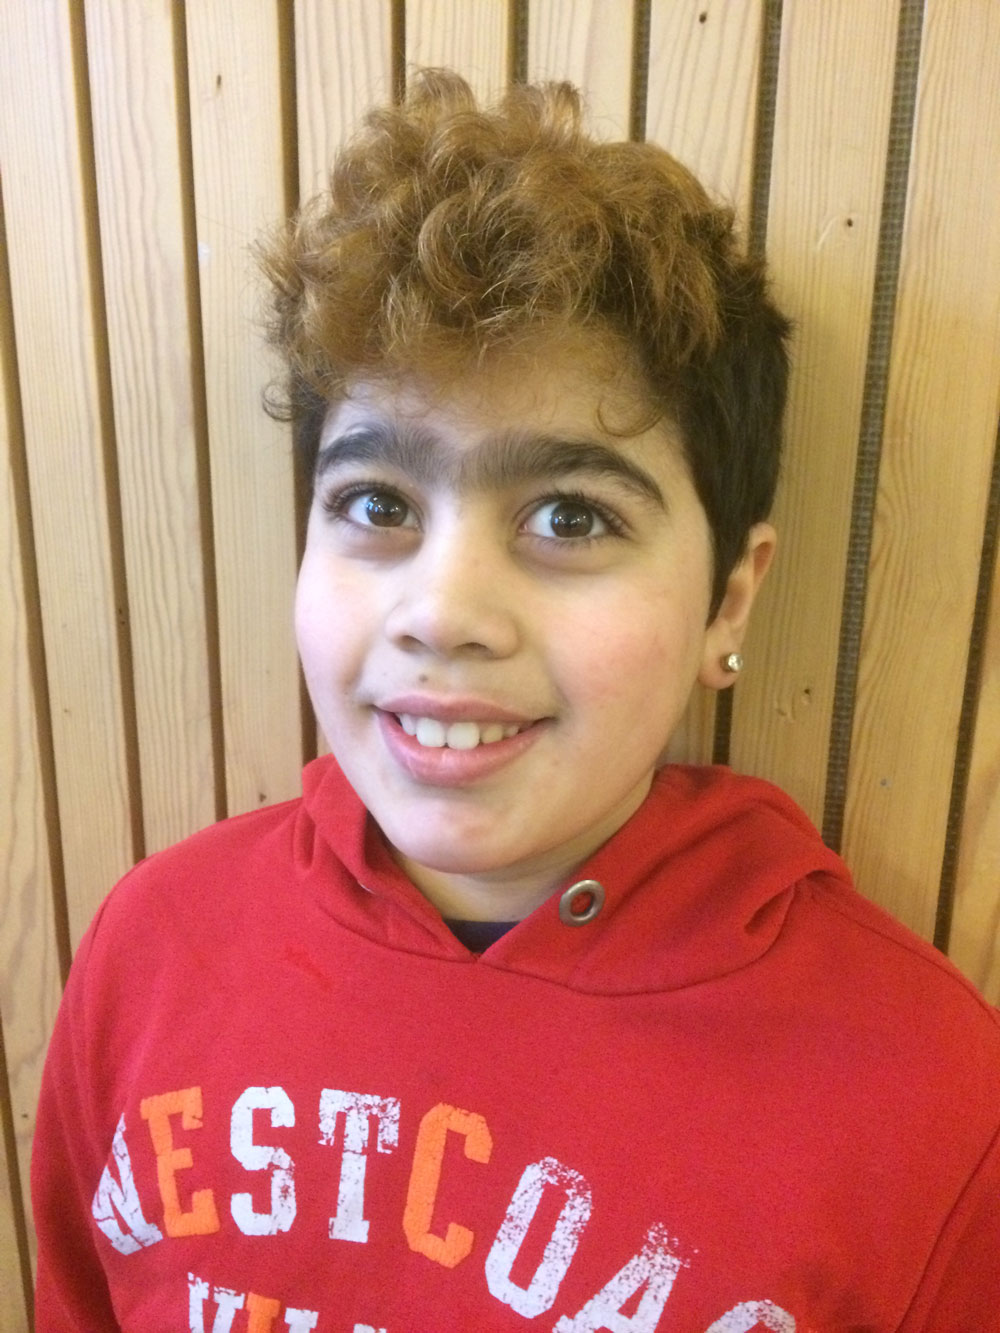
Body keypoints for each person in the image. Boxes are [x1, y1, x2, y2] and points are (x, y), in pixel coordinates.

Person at [32, 69, 1000, 1332]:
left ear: (727, 603)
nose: (444, 613)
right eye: (376, 503)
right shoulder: (153, 948)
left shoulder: (926, 1095)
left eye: (570, 518)